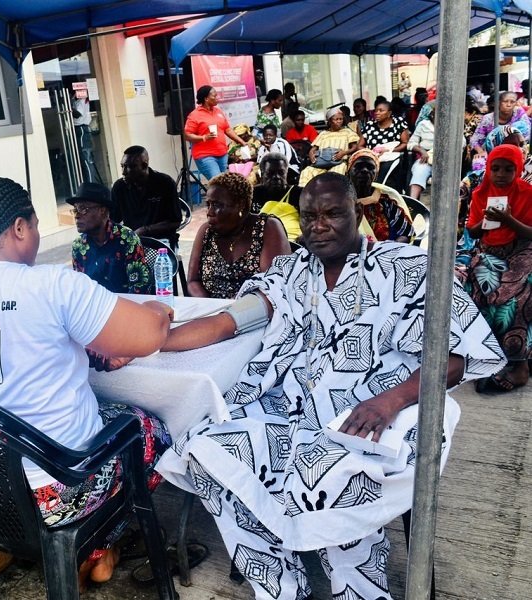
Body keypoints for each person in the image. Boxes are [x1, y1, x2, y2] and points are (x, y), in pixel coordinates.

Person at [157, 172, 505, 600]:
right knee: (201, 450)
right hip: (289, 411)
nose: (318, 225)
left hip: (368, 416)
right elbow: (228, 321)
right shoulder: (291, 271)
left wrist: (390, 401)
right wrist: (154, 341)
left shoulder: (407, 268)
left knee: (329, 475)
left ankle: (357, 591)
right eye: (309, 216)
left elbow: (454, 355)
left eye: (332, 213)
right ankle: (282, 585)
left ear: (357, 213)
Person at [0, 176, 174, 585]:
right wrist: (159, 309)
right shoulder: (52, 286)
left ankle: (87, 553)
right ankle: (97, 546)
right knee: (149, 428)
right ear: (19, 228)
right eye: (34, 225)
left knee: (110, 416)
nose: (36, 234)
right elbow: (148, 336)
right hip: (60, 493)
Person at [463, 144, 532, 393]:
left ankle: (519, 365)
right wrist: (486, 220)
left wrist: (508, 220)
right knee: (474, 290)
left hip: (522, 248)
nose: (501, 174)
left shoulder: (527, 193)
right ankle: (486, 355)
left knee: (515, 295)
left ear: (518, 169)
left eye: (508, 169)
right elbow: (472, 231)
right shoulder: (481, 193)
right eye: (496, 168)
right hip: (490, 250)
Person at [187, 173, 290, 298]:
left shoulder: (267, 228)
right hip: (212, 310)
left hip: (258, 312)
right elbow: (193, 281)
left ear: (240, 205)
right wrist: (210, 307)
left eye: (217, 205)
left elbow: (273, 285)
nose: (209, 212)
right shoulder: (207, 232)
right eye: (208, 205)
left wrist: (235, 313)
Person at [70, 182, 151, 294]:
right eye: (75, 210)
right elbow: (80, 289)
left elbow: (139, 287)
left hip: (127, 306)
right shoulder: (78, 246)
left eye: (83, 209)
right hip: (94, 309)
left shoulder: (127, 239)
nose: (77, 215)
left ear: (102, 210)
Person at [110, 145, 182, 245]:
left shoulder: (165, 183)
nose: (123, 172)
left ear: (144, 166)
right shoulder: (119, 187)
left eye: (129, 166)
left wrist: (145, 230)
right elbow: (113, 220)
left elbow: (175, 221)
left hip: (162, 241)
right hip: (133, 242)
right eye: (122, 166)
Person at [348, 149, 414, 243]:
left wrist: (386, 250)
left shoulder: (386, 200)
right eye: (358, 166)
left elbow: (406, 233)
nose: (365, 170)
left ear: (376, 174)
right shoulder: (339, 200)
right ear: (348, 171)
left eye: (370, 167)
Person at [184, 85, 248, 181]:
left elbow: (227, 129)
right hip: (205, 156)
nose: (217, 98)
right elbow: (187, 135)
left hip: (222, 155)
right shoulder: (194, 115)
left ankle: (214, 196)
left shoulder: (218, 111)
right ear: (206, 98)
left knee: (220, 184)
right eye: (214, 96)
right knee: (218, 182)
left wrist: (242, 142)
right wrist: (204, 137)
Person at [298, 106, 359, 186]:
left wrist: (344, 153)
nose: (339, 121)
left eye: (341, 119)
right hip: (321, 163)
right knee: (306, 172)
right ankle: (305, 195)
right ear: (330, 121)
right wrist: (311, 154)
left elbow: (354, 147)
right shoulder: (323, 134)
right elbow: (313, 149)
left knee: (335, 174)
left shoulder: (347, 132)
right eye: (336, 119)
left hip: (338, 162)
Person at [359, 100, 409, 186]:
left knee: (386, 166)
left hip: (392, 156)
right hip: (372, 157)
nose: (377, 113)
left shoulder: (398, 123)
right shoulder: (370, 125)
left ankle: (378, 190)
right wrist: (371, 153)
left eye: (381, 111)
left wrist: (389, 150)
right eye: (376, 110)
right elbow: (359, 146)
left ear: (389, 113)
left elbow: (405, 143)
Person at [470, 92, 532, 161]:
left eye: (512, 102)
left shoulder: (519, 113)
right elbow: (475, 139)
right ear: (499, 103)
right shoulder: (488, 119)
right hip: (492, 153)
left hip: (516, 151)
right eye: (505, 102)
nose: (508, 105)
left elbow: (526, 132)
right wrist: (481, 152)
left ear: (515, 103)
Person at [407, 103, 436, 199]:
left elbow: (462, 142)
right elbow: (411, 144)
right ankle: (413, 203)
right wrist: (422, 151)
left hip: (446, 161)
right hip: (426, 159)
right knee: (419, 171)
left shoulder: (451, 124)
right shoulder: (423, 125)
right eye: (433, 113)